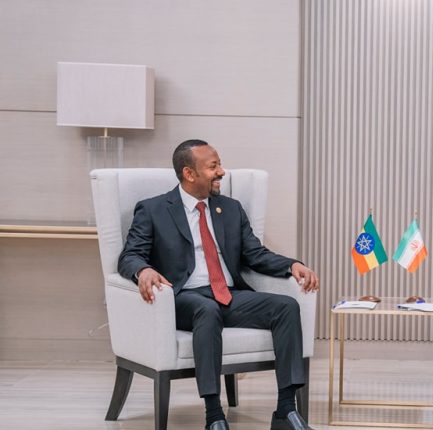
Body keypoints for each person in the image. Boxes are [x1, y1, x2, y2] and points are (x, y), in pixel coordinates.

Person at [118, 139, 319, 430]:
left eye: (220, 165)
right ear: (189, 173)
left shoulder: (231, 208)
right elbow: (129, 256)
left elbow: (255, 254)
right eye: (213, 167)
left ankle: (285, 411)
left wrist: (291, 265)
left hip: (228, 294)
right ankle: (214, 416)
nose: (222, 172)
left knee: (286, 307)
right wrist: (144, 270)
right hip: (184, 297)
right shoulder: (153, 209)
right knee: (206, 310)